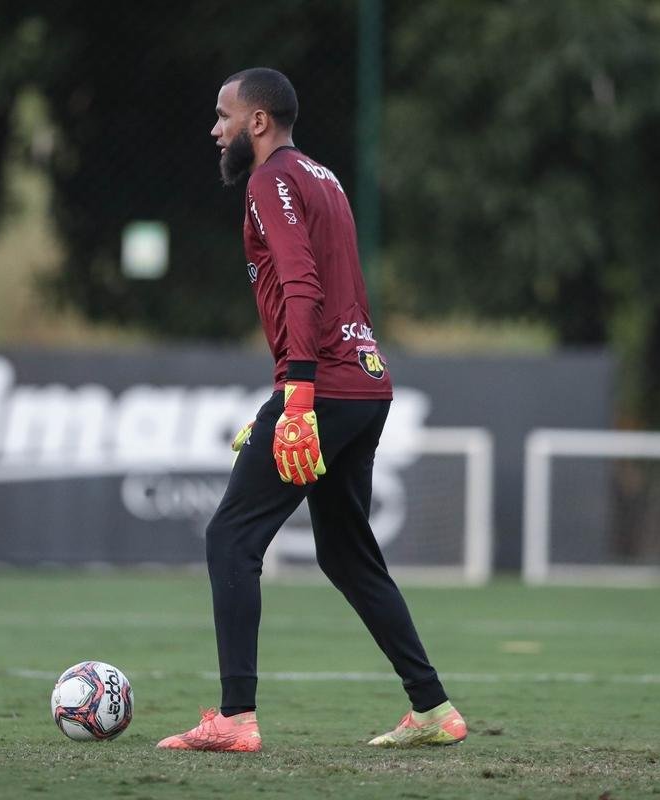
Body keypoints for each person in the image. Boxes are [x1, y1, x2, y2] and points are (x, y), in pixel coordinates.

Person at [156, 68, 466, 753]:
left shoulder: (270, 182)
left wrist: (294, 397)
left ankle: (235, 717)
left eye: (223, 116)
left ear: (257, 122)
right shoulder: (324, 177)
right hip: (365, 385)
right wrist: (288, 393)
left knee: (230, 538)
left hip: (321, 389)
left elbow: (302, 286)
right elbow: (333, 289)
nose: (215, 130)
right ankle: (433, 708)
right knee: (347, 554)